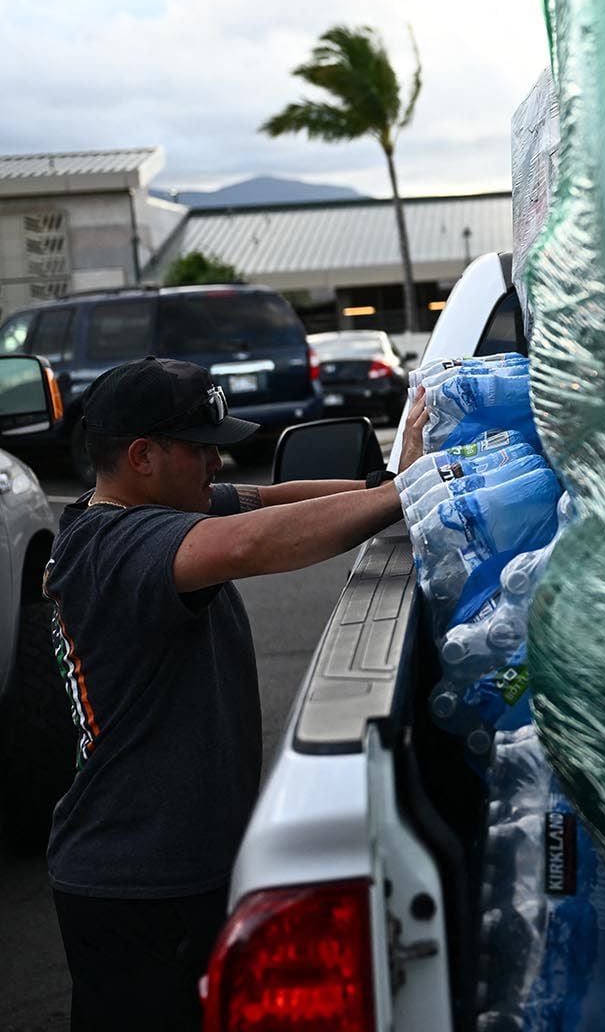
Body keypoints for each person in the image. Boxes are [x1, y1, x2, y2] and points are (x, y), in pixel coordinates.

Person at [40, 356, 428, 1032]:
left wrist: (388, 482)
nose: (220, 466)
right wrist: (413, 495)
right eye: (203, 451)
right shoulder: (113, 547)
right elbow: (250, 544)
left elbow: (269, 501)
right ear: (143, 456)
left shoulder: (157, 507)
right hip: (136, 886)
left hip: (173, 867)